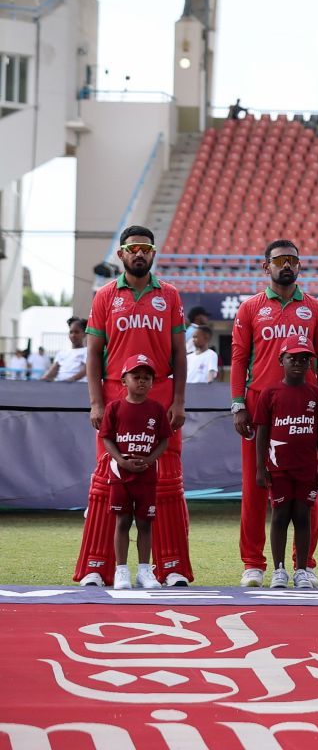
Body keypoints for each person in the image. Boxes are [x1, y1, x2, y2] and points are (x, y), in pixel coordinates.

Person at [74, 225, 191, 588]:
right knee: (110, 479)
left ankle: (170, 568)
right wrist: (96, 402)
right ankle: (98, 566)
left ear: (153, 254)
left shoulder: (168, 295)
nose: (139, 254)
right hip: (114, 395)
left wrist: (179, 400)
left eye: (146, 248)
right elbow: (93, 355)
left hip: (160, 395)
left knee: (166, 481)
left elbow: (178, 353)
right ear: (121, 254)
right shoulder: (105, 296)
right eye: (132, 248)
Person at [230, 239, 318, 587]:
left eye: (292, 260)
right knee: (255, 487)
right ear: (266, 267)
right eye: (279, 260)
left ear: (300, 266)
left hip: (302, 412)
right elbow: (239, 359)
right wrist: (238, 403)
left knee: (308, 489)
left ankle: (305, 563)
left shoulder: (315, 309)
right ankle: (253, 564)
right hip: (261, 409)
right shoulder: (250, 309)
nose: (286, 266)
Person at [249, 341, 318, 590]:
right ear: (281, 361)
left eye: (304, 359)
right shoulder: (270, 393)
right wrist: (260, 468)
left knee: (303, 516)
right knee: (280, 515)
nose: (298, 363)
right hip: (278, 467)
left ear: (310, 363)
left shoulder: (316, 394)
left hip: (307, 468)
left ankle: (302, 570)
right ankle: (279, 570)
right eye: (292, 358)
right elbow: (262, 433)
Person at [100, 354, 169, 589]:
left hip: (146, 476)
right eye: (136, 377)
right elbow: (107, 438)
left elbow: (163, 440)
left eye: (146, 377)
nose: (141, 381)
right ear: (123, 381)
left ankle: (144, 571)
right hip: (120, 476)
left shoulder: (156, 410)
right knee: (122, 521)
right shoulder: (115, 408)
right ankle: (121, 570)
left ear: (152, 382)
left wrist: (150, 459)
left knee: (145, 523)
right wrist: (120, 460)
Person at [186, 319, 219, 384]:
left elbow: (211, 373)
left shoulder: (211, 355)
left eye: (196, 337)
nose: (193, 340)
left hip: (202, 390)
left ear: (206, 338)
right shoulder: (189, 357)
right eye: (193, 337)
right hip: (188, 390)